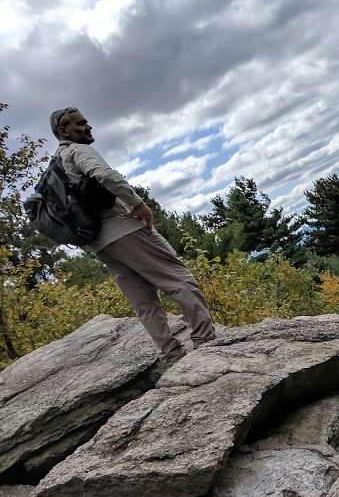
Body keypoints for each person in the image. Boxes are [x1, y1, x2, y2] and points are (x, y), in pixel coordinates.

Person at [49, 107, 215, 371]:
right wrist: (137, 203)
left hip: (99, 243)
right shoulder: (78, 151)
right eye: (81, 123)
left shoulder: (57, 164)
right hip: (124, 229)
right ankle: (206, 341)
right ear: (63, 131)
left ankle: (171, 356)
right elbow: (104, 174)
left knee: (143, 301)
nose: (88, 126)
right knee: (179, 280)